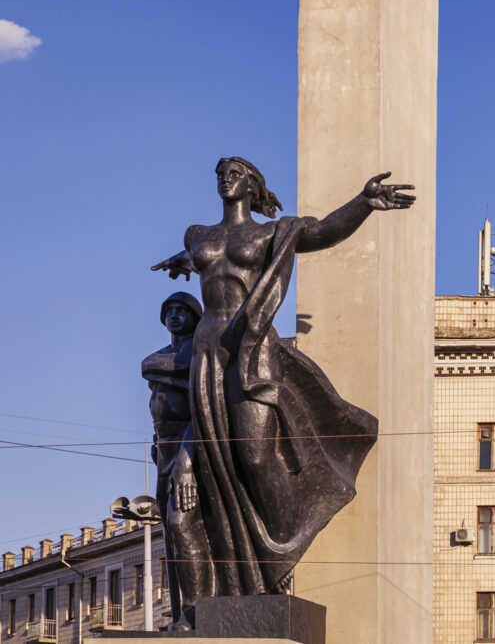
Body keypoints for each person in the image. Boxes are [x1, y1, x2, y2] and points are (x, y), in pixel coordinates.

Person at [152, 157, 414, 620]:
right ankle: (233, 577)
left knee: (254, 453)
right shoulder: (197, 235)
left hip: (251, 347)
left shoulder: (271, 232)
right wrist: (180, 262)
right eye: (219, 173)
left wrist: (363, 203)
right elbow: (201, 261)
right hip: (209, 351)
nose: (224, 178)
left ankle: (279, 552)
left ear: (252, 184)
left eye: (234, 172)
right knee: (218, 455)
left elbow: (321, 231)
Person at [141, 292, 203, 624]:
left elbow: (202, 408)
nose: (175, 316)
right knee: (168, 528)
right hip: (163, 443)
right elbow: (152, 365)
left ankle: (195, 607)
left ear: (196, 316)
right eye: (170, 311)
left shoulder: (199, 350)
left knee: (182, 524)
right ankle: (185, 609)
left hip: (189, 442)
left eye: (183, 310)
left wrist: (185, 458)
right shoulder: (168, 355)